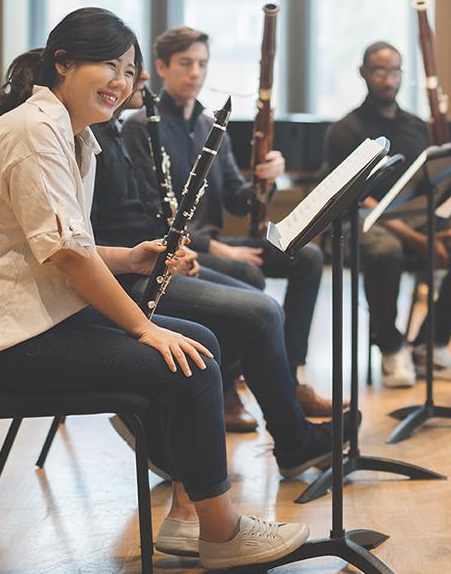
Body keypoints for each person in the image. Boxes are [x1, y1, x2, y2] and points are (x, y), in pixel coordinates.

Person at [0, 7, 309, 568]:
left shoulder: (71, 133)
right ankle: (220, 532)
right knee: (188, 360)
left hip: (40, 311)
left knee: (200, 343)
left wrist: (129, 256)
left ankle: (189, 517)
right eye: (108, 66)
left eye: (128, 70)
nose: (121, 83)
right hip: (4, 334)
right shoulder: (34, 131)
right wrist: (144, 329)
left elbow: (57, 244)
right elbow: (68, 256)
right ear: (63, 63)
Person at [90, 71, 353, 487]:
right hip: (127, 270)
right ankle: (286, 434)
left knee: (286, 276)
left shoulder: (121, 132)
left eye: (202, 62)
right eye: (122, 70)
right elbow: (101, 230)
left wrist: (264, 181)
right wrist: (172, 249)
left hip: (158, 254)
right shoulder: (125, 130)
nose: (131, 81)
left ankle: (286, 389)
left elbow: (231, 196)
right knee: (259, 307)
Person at [121, 25, 333, 416]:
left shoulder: (207, 123)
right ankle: (227, 387)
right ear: (163, 68)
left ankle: (290, 374)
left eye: (202, 64)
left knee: (309, 258)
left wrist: (265, 179)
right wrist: (213, 247)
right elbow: (151, 211)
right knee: (249, 278)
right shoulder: (140, 127)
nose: (196, 73)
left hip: (211, 243)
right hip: (171, 251)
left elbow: (239, 200)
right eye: (185, 63)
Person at [326, 41, 451, 388]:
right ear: (363, 73)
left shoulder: (418, 127)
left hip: (415, 216)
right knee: (384, 250)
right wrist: (420, 241)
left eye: (394, 71)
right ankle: (391, 346)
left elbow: (427, 185)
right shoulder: (344, 131)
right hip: (362, 220)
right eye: (379, 71)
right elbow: (355, 199)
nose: (388, 80)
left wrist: (447, 212)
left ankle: (429, 344)